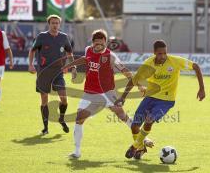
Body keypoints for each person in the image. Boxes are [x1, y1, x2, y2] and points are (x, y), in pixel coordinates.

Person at [62, 29, 153, 159]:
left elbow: (125, 71)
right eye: (96, 43)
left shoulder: (111, 56)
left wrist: (139, 85)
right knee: (79, 119)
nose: (99, 45)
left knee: (123, 116)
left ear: (106, 42)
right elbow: (84, 59)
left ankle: (144, 139)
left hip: (107, 93)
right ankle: (76, 152)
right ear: (92, 43)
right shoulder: (88, 49)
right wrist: (70, 66)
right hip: (90, 93)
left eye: (101, 43)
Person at [115, 40, 205, 159]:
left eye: (164, 53)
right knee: (134, 126)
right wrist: (123, 97)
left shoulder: (175, 61)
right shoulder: (149, 64)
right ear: (154, 53)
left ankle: (135, 146)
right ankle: (141, 148)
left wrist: (201, 88)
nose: (163, 56)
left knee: (149, 120)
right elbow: (134, 80)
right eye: (159, 54)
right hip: (150, 97)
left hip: (166, 100)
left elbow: (196, 66)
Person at [28, 14, 77, 135]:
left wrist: (73, 66)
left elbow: (69, 53)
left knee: (64, 99)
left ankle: (61, 118)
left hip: (58, 73)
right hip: (43, 73)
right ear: (49, 24)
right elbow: (32, 50)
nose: (55, 25)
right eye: (52, 23)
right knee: (44, 99)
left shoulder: (64, 37)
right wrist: (30, 64)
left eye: (57, 23)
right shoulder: (42, 36)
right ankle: (45, 127)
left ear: (59, 24)